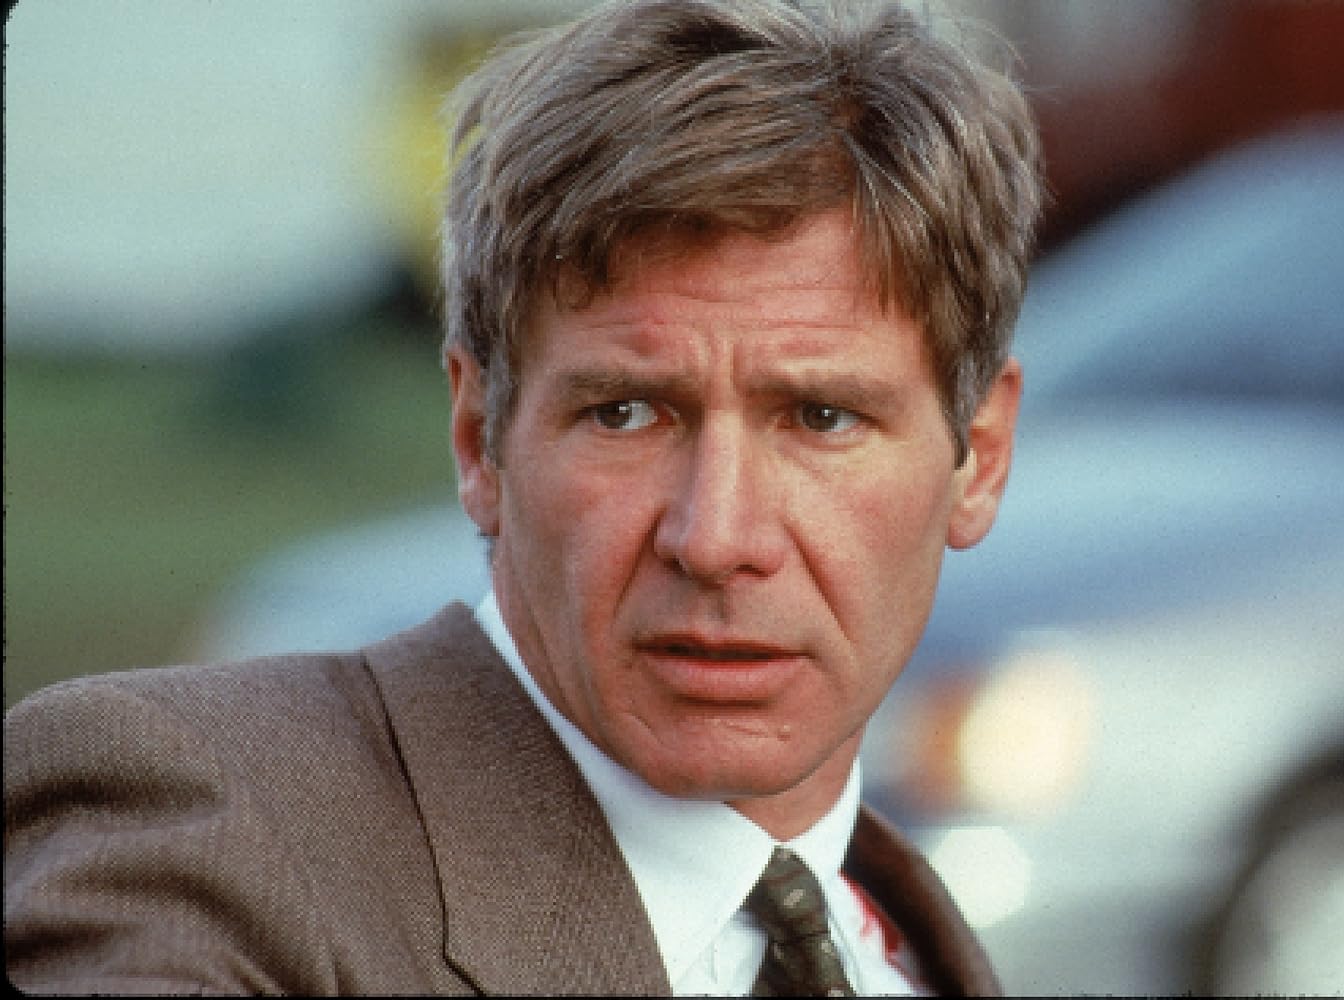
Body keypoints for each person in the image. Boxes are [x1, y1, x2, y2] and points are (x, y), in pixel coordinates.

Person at [4, 0, 1042, 993]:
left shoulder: (909, 940)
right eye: (625, 413)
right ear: (478, 440)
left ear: (981, 457)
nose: (715, 536)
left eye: (821, 417)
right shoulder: (203, 832)